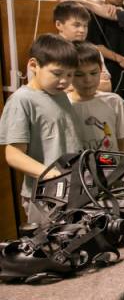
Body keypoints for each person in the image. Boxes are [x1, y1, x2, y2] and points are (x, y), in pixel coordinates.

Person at [0, 34, 81, 223]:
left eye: (70, 75)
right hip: (45, 195)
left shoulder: (59, 95)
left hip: (72, 189)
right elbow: (13, 155)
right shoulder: (22, 100)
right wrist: (51, 174)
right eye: (57, 73)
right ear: (34, 65)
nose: (64, 81)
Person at [85, 0, 124, 149]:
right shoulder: (93, 14)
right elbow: (95, 45)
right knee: (113, 123)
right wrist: (119, 58)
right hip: (113, 71)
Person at [69, 41, 124, 152]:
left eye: (93, 73)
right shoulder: (64, 105)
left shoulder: (114, 101)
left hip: (112, 166)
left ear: (101, 70)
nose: (88, 80)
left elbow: (123, 143)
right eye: (79, 75)